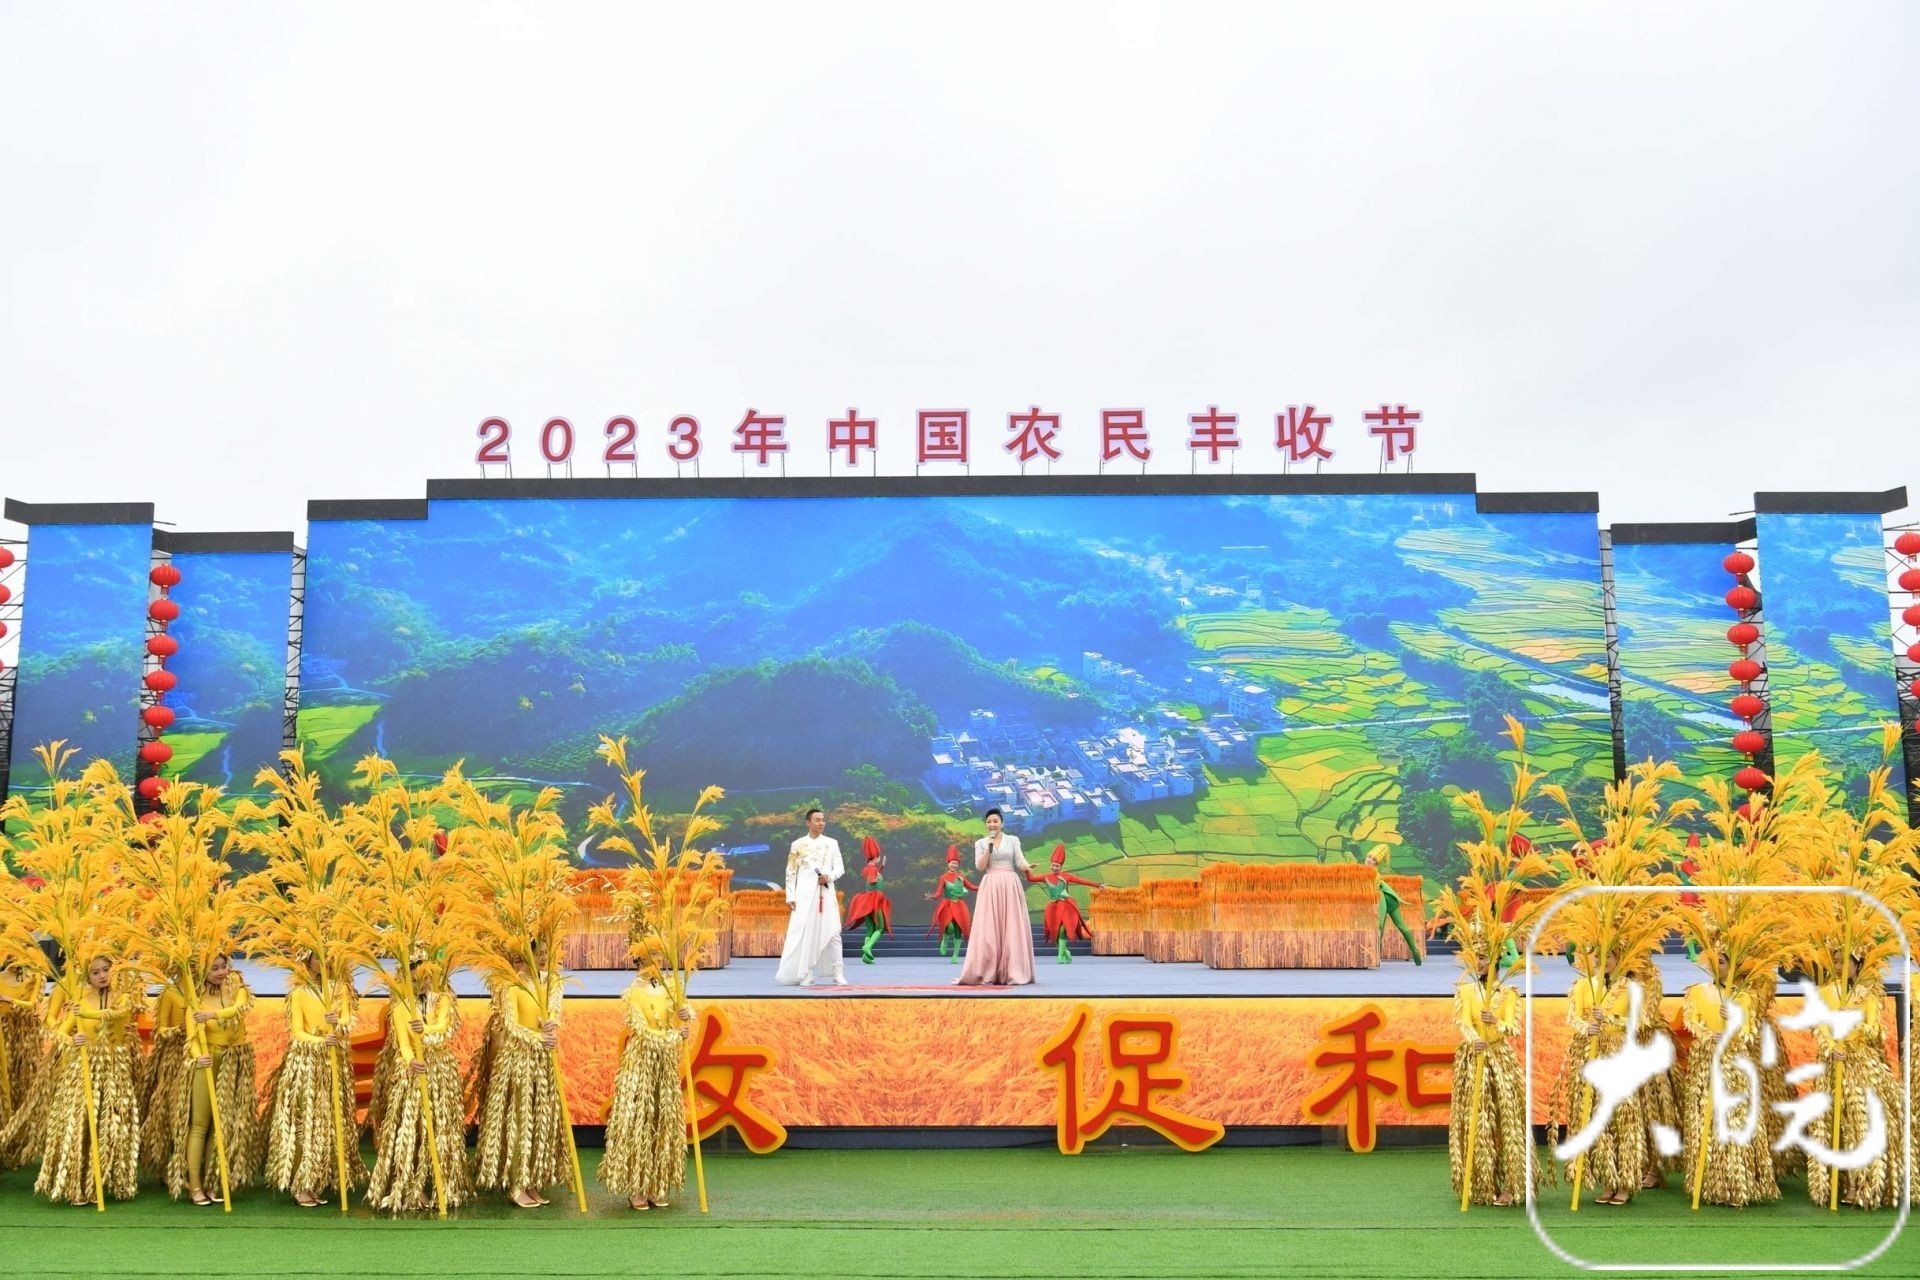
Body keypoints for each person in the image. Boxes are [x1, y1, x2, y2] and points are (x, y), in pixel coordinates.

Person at [366, 950, 470, 1213]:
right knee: (412, 1130)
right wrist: (411, 1060)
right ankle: (412, 1185)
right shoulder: (401, 1007)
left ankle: (443, 1184)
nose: (420, 984)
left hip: (440, 1072)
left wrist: (425, 1030)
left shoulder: (443, 1000)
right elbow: (403, 1042)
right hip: (413, 1074)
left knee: (440, 1129)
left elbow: (444, 1029)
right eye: (414, 980)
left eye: (424, 978)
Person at [35, 955, 142, 1204]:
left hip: (115, 1067)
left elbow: (118, 1014)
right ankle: (77, 1185)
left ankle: (99, 1183)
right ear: (87, 977)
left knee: (110, 1125)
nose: (102, 976)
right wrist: (73, 1039)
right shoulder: (80, 1002)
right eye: (95, 973)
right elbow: (60, 1032)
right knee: (83, 1124)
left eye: (106, 970)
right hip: (85, 1066)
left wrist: (87, 1014)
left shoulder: (123, 997)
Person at [264, 949, 364, 1207]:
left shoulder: (339, 988)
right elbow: (297, 1031)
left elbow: (347, 1018)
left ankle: (315, 1182)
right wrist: (321, 1040)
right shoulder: (299, 993)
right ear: (307, 961)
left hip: (334, 1062)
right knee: (304, 1122)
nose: (325, 961)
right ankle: (300, 1185)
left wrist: (337, 1022)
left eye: (328, 956)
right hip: (307, 1063)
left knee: (326, 1123)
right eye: (318, 957)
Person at [471, 945, 568, 1208]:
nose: (544, 957)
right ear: (526, 954)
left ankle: (530, 1180)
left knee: (538, 1119)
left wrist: (551, 1025)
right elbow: (512, 1026)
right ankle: (516, 1185)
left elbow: (554, 1011)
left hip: (543, 1061)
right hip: (518, 1060)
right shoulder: (511, 986)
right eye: (538, 953)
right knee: (520, 1120)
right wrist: (539, 1038)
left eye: (547, 952)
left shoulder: (551, 982)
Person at [165, 955, 261, 1204]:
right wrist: (199, 1056)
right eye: (214, 968)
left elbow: (239, 1009)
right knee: (200, 1125)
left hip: (235, 1061)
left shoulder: (237, 986)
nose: (221, 972)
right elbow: (191, 1039)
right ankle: (195, 1186)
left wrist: (211, 1015)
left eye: (224, 966)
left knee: (223, 1124)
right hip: (207, 1062)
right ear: (202, 972)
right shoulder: (195, 1000)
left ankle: (212, 1182)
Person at [598, 968, 691, 1210]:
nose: (658, 961)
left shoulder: (671, 984)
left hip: (665, 1065)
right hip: (641, 1063)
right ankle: (636, 1187)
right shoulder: (633, 992)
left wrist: (685, 1013)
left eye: (660, 955)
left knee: (661, 1120)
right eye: (653, 955)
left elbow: (683, 1009)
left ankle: (655, 1185)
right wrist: (674, 1036)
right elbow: (642, 1031)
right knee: (639, 1122)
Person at [956, 808, 1034, 987]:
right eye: (989, 821)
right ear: (985, 824)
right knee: (989, 927)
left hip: (1009, 883)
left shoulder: (1013, 840)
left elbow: (1019, 861)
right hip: (990, 883)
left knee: (1011, 926)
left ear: (1002, 823)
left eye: (995, 821)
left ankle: (1012, 971)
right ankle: (988, 971)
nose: (992, 824)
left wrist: (1027, 866)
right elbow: (980, 866)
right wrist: (988, 849)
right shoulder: (981, 843)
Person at [774, 808, 846, 987]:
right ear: (808, 823)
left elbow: (840, 868)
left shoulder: (832, 843)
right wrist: (791, 895)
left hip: (826, 894)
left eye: (823, 820)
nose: (821, 823)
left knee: (833, 933)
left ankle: (838, 972)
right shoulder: (797, 845)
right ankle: (806, 972)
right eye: (817, 820)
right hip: (804, 897)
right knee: (807, 934)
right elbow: (790, 872)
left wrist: (828, 876)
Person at [1028, 843, 1096, 965]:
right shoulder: (1046, 876)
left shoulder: (1066, 876)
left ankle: (1060, 957)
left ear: (1061, 866)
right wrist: (1027, 869)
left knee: (1062, 931)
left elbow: (1081, 881)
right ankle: (1066, 952)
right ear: (1050, 864)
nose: (1055, 868)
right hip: (1053, 908)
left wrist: (1098, 885)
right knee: (1054, 933)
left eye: (1057, 866)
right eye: (1053, 865)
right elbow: (1031, 878)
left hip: (1066, 906)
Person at [1363, 845, 1422, 966]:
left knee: (1381, 926)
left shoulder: (1373, 873)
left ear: (1377, 863)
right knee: (1395, 926)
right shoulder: (1365, 871)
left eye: (1374, 860)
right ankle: (1414, 951)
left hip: (1384, 900)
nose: (1370, 860)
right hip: (1386, 897)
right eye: (1369, 857)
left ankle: (1414, 950)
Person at [842, 837, 892, 966]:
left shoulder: (867, 868)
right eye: (879, 857)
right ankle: (867, 947)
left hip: (866, 901)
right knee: (880, 927)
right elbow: (872, 879)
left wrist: (882, 867)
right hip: (876, 901)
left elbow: (873, 873)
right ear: (876, 857)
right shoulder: (873, 870)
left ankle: (865, 956)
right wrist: (873, 880)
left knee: (870, 928)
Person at [926, 847, 977, 964]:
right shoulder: (943, 877)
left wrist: (984, 885)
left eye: (956, 863)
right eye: (952, 863)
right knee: (949, 927)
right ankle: (945, 940)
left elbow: (971, 887)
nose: (954, 865)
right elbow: (939, 892)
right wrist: (933, 896)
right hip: (948, 905)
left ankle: (955, 955)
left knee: (959, 929)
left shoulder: (961, 876)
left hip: (960, 906)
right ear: (948, 864)